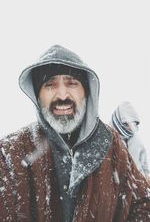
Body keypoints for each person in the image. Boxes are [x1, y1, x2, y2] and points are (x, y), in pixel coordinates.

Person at [0, 44, 150, 222]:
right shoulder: (10, 153)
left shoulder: (112, 144)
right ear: (37, 96)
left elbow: (141, 205)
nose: (62, 95)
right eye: (50, 85)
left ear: (86, 92)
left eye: (72, 83)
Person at [111, 101, 150, 179]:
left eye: (134, 124)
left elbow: (144, 164)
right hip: (117, 184)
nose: (130, 128)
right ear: (118, 121)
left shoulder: (136, 141)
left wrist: (147, 178)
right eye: (126, 124)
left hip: (138, 184)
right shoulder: (109, 139)